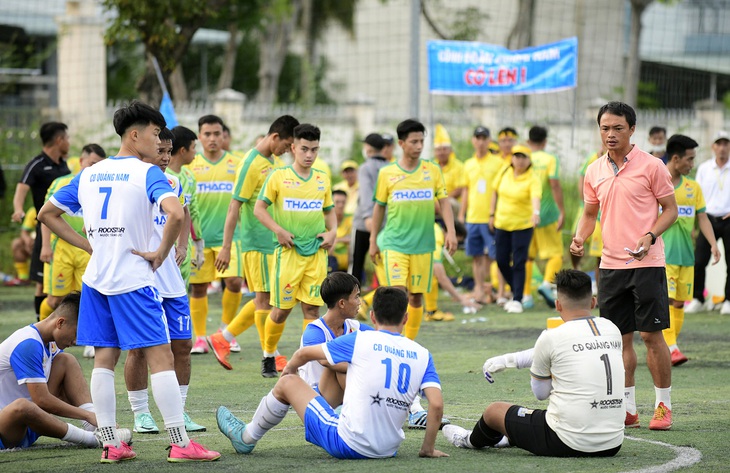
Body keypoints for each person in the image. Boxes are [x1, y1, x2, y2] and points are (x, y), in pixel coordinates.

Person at [37, 101, 219, 462]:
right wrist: (160, 253)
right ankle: (182, 445)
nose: (158, 141)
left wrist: (89, 244)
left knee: (105, 358)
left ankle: (110, 444)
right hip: (133, 280)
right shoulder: (146, 173)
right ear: (135, 135)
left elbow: (47, 213)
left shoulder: (90, 173)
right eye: (154, 134)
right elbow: (176, 213)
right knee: (161, 356)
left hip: (97, 280)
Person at [216, 286, 448, 459]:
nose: (358, 302)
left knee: (287, 383)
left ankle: (246, 437)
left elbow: (303, 355)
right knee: (339, 369)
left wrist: (289, 373)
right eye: (356, 296)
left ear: (374, 317)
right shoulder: (422, 353)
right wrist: (427, 449)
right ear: (406, 318)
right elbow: (436, 404)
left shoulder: (360, 338)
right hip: (389, 449)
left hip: (348, 443)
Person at [570, 101, 678, 431]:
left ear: (632, 129)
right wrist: (579, 238)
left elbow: (670, 210)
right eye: (605, 128)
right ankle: (627, 407)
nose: (610, 134)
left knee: (651, 335)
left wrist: (650, 235)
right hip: (610, 267)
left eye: (618, 128)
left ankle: (663, 406)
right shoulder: (594, 170)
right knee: (618, 340)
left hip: (647, 264)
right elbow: (589, 214)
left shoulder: (652, 166)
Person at [443, 269, 624, 457]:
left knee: (493, 411)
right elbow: (566, 350)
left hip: (568, 441)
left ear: (557, 305)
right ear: (593, 302)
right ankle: (510, 437)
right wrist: (509, 360)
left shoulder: (551, 337)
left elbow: (541, 393)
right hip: (613, 443)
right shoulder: (611, 329)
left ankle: (468, 440)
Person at [123, 127, 205, 435]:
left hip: (171, 281)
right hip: (141, 279)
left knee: (182, 345)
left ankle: (179, 412)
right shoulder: (131, 181)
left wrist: (183, 245)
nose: (166, 157)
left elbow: (182, 213)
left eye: (169, 152)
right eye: (161, 151)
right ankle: (140, 413)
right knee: (140, 348)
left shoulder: (173, 181)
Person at [208, 115, 299, 372]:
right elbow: (234, 205)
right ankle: (272, 355)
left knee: (267, 299)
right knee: (264, 301)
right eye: (288, 144)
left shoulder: (274, 161)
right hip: (256, 243)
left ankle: (222, 338)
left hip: (273, 242)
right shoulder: (251, 163)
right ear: (275, 137)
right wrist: (227, 246)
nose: (288, 150)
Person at [254, 123, 337, 378]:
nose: (309, 154)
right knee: (280, 311)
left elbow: (330, 211)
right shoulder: (278, 176)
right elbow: (259, 209)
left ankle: (308, 362)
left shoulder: (322, 178)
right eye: (304, 149)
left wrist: (333, 232)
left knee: (312, 310)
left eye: (314, 149)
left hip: (316, 254)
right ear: (293, 148)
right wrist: (278, 230)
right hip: (288, 254)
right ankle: (269, 355)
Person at [0, 292, 131, 450]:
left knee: (67, 360)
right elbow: (42, 400)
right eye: (76, 334)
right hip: (7, 430)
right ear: (60, 323)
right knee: (22, 405)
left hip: (31, 424)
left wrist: (93, 416)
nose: (76, 341)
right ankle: (92, 439)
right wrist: (87, 415)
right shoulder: (27, 344)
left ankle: (99, 429)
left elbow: (62, 390)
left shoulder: (51, 342)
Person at [369, 118, 457, 341]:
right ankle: (394, 341)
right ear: (401, 143)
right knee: (399, 295)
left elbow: (444, 202)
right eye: (414, 141)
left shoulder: (432, 170)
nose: (419, 146)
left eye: (421, 141)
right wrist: (372, 240)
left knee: (417, 297)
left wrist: (451, 231)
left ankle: (409, 343)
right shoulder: (387, 173)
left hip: (423, 244)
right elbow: (379, 207)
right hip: (394, 243)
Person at [661, 134, 720, 366]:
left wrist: (714, 244)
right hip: (662, 256)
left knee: (678, 303)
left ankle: (669, 345)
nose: (692, 164)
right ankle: (672, 348)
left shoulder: (693, 187)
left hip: (687, 256)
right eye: (690, 159)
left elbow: (702, 217)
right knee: (666, 300)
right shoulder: (657, 182)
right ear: (676, 159)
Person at [187, 115, 243, 355]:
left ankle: (224, 333)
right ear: (199, 137)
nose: (212, 138)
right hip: (199, 240)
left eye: (217, 134)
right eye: (207, 134)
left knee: (234, 282)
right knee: (198, 288)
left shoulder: (237, 164)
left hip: (229, 239)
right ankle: (199, 338)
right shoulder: (190, 166)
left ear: (224, 136)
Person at [39, 144, 106, 322]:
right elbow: (46, 215)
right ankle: (42, 329)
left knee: (86, 299)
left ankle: (84, 340)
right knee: (55, 300)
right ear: (81, 161)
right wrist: (45, 246)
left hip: (88, 249)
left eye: (99, 164)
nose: (94, 168)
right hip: (62, 248)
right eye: (91, 163)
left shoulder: (102, 185)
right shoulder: (62, 182)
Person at [11, 122, 71, 319]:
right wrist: (18, 209)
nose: (69, 142)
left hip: (65, 227)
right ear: (59, 140)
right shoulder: (37, 164)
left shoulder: (64, 165)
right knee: (42, 280)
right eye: (67, 138)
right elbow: (22, 188)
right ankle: (40, 321)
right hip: (45, 226)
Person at [297, 272, 371, 406]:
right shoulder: (314, 331)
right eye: (356, 297)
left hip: (338, 397)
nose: (359, 303)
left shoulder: (354, 326)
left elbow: (384, 340)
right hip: (314, 402)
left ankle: (414, 409)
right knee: (337, 364)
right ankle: (361, 410)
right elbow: (326, 361)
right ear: (342, 303)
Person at [490, 145, 541, 314]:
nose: (520, 160)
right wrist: (491, 214)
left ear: (529, 160)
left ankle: (518, 298)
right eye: (517, 156)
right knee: (501, 260)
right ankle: (517, 291)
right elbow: (494, 192)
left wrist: (535, 213)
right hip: (502, 223)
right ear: (512, 158)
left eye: (523, 157)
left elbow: (535, 197)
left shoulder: (532, 177)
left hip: (523, 225)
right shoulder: (504, 172)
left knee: (519, 261)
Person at [459, 126, 504, 305]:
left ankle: (499, 291)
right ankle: (479, 289)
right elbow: (465, 190)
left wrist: (495, 214)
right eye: (477, 137)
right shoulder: (468, 164)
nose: (481, 141)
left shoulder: (498, 162)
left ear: (489, 140)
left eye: (484, 138)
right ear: (473, 140)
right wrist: (462, 214)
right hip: (473, 217)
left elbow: (501, 190)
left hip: (490, 217)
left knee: (496, 256)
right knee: (476, 256)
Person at [686, 131, 730, 315]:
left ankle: (728, 300)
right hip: (707, 219)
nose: (722, 147)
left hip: (728, 219)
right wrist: (694, 224)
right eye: (718, 144)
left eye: (726, 143)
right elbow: (696, 197)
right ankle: (697, 298)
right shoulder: (704, 168)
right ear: (713, 147)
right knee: (700, 260)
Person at [525, 126, 565, 309]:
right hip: (547, 213)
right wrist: (561, 210)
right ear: (545, 142)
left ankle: (525, 295)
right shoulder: (550, 159)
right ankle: (547, 284)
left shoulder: (523, 157)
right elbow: (554, 184)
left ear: (529, 141)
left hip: (526, 215)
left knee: (528, 257)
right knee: (556, 253)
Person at [350, 133, 390, 287]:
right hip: (386, 222)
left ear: (368, 148)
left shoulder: (366, 168)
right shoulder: (390, 167)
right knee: (381, 264)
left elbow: (366, 194)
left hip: (364, 222)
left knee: (357, 262)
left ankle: (352, 296)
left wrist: (368, 218)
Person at [167, 126, 204, 286]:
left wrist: (199, 246)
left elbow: (193, 212)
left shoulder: (189, 177)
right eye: (194, 147)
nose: (196, 152)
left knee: (182, 295)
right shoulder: (161, 176)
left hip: (185, 249)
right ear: (183, 150)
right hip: (165, 248)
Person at [424, 219, 481, 321]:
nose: (454, 246)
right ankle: (431, 311)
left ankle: (431, 311)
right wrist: (461, 299)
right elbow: (441, 277)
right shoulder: (436, 239)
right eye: (456, 242)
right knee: (430, 277)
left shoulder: (434, 229)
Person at [432, 124, 465, 201]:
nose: (442, 152)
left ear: (450, 151)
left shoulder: (459, 166)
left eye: (444, 149)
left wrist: (443, 201)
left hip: (452, 204)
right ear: (434, 152)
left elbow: (459, 189)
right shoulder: (431, 167)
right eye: (439, 150)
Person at [8, 207, 36, 285]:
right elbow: (24, 232)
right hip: (36, 245)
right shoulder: (33, 211)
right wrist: (28, 241)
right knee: (17, 243)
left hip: (53, 245)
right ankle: (23, 278)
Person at [328, 189, 352, 273]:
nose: (341, 205)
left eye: (343, 202)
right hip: (330, 261)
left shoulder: (351, 219)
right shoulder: (324, 220)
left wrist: (337, 240)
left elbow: (354, 238)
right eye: (337, 202)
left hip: (347, 262)